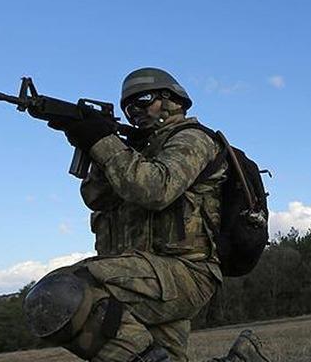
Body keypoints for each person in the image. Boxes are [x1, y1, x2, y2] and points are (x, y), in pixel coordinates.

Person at [22, 68, 270, 362]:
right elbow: (95, 198)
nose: (135, 111)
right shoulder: (136, 151)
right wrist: (96, 143)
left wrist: (103, 142)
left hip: (184, 272)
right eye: (128, 107)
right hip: (146, 273)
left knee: (60, 293)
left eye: (144, 100)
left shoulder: (192, 139)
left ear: (172, 100)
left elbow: (154, 189)